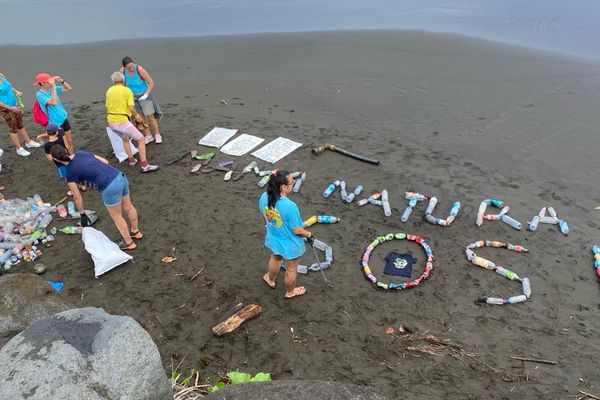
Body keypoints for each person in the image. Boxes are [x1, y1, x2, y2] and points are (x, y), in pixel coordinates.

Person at [50, 144, 143, 250]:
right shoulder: (81, 153)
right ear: (66, 150)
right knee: (129, 207)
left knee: (117, 216)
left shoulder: (70, 173)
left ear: (54, 159)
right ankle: (136, 232)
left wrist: (82, 214)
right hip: (119, 176)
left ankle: (129, 243)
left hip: (109, 187)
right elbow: (105, 162)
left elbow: (77, 197)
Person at [258, 170, 313, 299]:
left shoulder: (264, 197)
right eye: (292, 183)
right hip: (290, 244)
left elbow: (264, 213)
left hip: (274, 238)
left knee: (275, 258)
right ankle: (290, 291)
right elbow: (297, 230)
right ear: (283, 187)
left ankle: (270, 279)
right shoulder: (290, 206)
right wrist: (309, 234)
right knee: (291, 269)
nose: (293, 184)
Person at [105, 71, 159, 173]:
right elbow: (131, 108)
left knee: (125, 139)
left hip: (111, 121)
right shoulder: (127, 91)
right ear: (123, 80)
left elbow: (107, 108)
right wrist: (137, 117)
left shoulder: (109, 91)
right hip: (122, 121)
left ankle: (132, 160)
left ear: (113, 81)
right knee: (141, 139)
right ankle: (144, 165)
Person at [120, 56, 163, 144]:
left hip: (144, 95)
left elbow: (151, 82)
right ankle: (148, 135)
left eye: (132, 66)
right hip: (133, 97)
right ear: (125, 67)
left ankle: (157, 134)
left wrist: (146, 94)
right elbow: (123, 85)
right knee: (140, 118)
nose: (131, 69)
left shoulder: (139, 69)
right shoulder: (122, 71)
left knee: (150, 117)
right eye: (129, 68)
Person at [0, 73, 41, 156]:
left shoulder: (1, 75)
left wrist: (16, 92)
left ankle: (28, 142)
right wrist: (11, 108)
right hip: (6, 109)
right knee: (13, 128)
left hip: (14, 105)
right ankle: (19, 148)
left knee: (20, 125)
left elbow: (8, 86)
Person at [34, 73, 74, 154]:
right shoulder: (40, 94)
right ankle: (68, 160)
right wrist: (54, 87)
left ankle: (72, 157)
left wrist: (62, 81)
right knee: (64, 145)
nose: (50, 82)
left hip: (63, 118)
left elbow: (69, 88)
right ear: (42, 83)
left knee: (70, 141)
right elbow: (54, 102)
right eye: (48, 81)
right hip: (55, 123)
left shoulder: (52, 89)